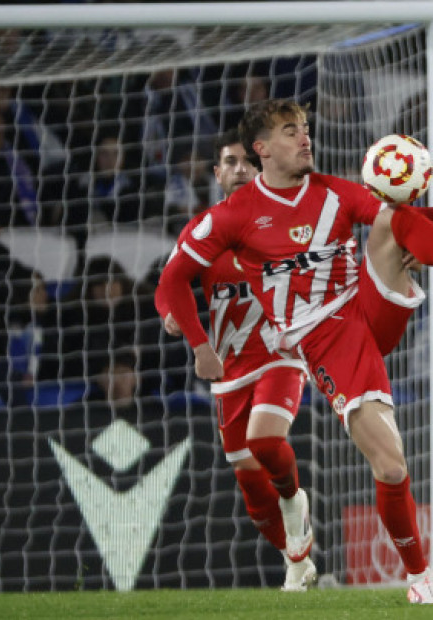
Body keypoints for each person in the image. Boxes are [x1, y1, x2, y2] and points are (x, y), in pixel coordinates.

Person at [157, 99, 433, 604]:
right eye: (290, 131)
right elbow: (171, 281)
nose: (305, 139)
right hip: (324, 342)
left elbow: (420, 217)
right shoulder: (231, 217)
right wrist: (200, 346)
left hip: (363, 306)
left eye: (305, 129)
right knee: (391, 466)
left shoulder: (334, 192)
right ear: (262, 149)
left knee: (391, 218)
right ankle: (419, 577)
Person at [156, 129, 317, 592]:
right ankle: (296, 557)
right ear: (217, 173)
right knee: (251, 490)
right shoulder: (203, 231)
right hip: (229, 368)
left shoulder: (291, 219)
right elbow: (168, 287)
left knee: (266, 444)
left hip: (282, 356)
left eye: (248, 160)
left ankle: (294, 502)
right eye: (231, 162)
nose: (241, 169)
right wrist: (175, 319)